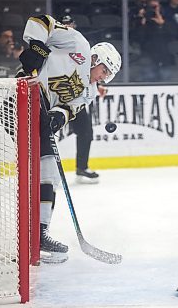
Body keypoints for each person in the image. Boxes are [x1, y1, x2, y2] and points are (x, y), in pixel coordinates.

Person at [17, 14, 121, 263]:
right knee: (38, 172)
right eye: (103, 70)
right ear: (95, 59)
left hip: (39, 113)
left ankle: (39, 233)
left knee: (48, 173)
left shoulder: (90, 91)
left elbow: (70, 108)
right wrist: (36, 46)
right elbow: (42, 21)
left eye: (106, 76)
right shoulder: (79, 46)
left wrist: (57, 117)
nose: (101, 77)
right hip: (21, 95)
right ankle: (33, 234)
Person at [58, 15, 105, 183]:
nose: (69, 27)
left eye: (71, 24)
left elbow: (88, 72)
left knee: (86, 132)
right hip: (54, 98)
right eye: (65, 25)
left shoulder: (81, 48)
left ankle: (82, 167)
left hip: (74, 100)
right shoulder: (56, 46)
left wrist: (97, 86)